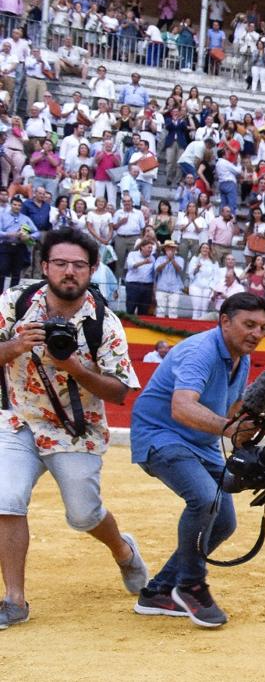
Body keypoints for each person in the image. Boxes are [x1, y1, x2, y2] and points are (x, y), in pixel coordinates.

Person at [0, 230, 146, 631]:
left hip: (74, 429)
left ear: (92, 270)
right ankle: (14, 599)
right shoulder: (14, 305)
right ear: (44, 267)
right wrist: (12, 347)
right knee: (5, 499)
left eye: (78, 265)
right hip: (18, 419)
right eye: (60, 263)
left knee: (83, 515)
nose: (69, 272)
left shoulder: (105, 324)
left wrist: (75, 368)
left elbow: (119, 391)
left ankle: (123, 551)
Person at [127, 291, 265, 628]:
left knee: (224, 521)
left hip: (201, 443)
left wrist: (248, 435)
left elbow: (230, 412)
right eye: (249, 324)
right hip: (161, 434)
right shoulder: (200, 352)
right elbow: (182, 407)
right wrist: (229, 428)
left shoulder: (242, 357)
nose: (256, 334)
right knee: (205, 499)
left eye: (263, 328)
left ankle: (159, 592)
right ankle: (191, 585)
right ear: (224, 321)